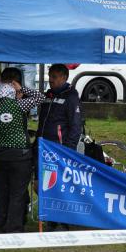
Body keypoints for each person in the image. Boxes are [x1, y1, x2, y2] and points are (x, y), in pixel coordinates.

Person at [0, 79, 45, 232]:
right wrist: (24, 89)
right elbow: (40, 97)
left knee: (2, 193)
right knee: (17, 193)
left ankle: (1, 224)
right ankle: (13, 227)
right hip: (19, 155)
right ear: (13, 92)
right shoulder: (19, 105)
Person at [36, 63, 83, 231]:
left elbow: (76, 127)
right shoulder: (48, 95)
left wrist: (67, 150)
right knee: (43, 185)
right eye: (49, 76)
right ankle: (51, 219)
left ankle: (62, 222)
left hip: (59, 150)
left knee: (59, 186)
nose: (51, 80)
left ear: (64, 77)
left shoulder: (71, 97)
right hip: (43, 148)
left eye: (54, 77)